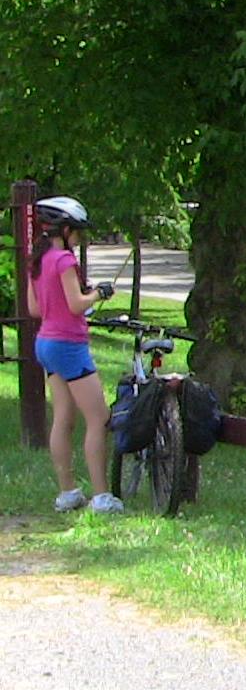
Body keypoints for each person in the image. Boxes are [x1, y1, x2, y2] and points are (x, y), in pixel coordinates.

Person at [27, 195, 123, 514]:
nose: (79, 237)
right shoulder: (65, 261)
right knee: (98, 418)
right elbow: (75, 304)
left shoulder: (38, 260)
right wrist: (99, 293)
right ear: (64, 230)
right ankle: (101, 496)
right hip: (69, 345)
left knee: (63, 418)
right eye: (77, 231)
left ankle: (68, 492)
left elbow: (34, 308)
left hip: (46, 344)